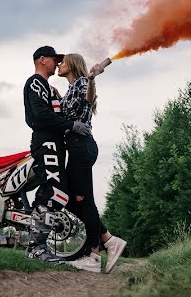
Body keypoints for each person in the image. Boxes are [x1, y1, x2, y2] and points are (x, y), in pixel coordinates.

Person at [57, 53, 127, 274]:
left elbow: (89, 97)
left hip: (81, 146)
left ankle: (94, 255)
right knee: (68, 198)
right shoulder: (70, 88)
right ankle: (108, 239)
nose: (59, 64)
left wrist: (93, 79)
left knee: (84, 200)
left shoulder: (82, 82)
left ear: (73, 65)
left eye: (63, 61)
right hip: (77, 148)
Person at [23, 45, 91, 262]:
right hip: (46, 142)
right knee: (52, 190)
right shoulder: (35, 83)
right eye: (54, 59)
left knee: (60, 192)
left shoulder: (50, 88)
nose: (57, 63)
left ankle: (41, 245)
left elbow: (66, 107)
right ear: (43, 60)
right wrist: (71, 125)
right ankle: (36, 247)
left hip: (56, 144)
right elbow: (40, 116)